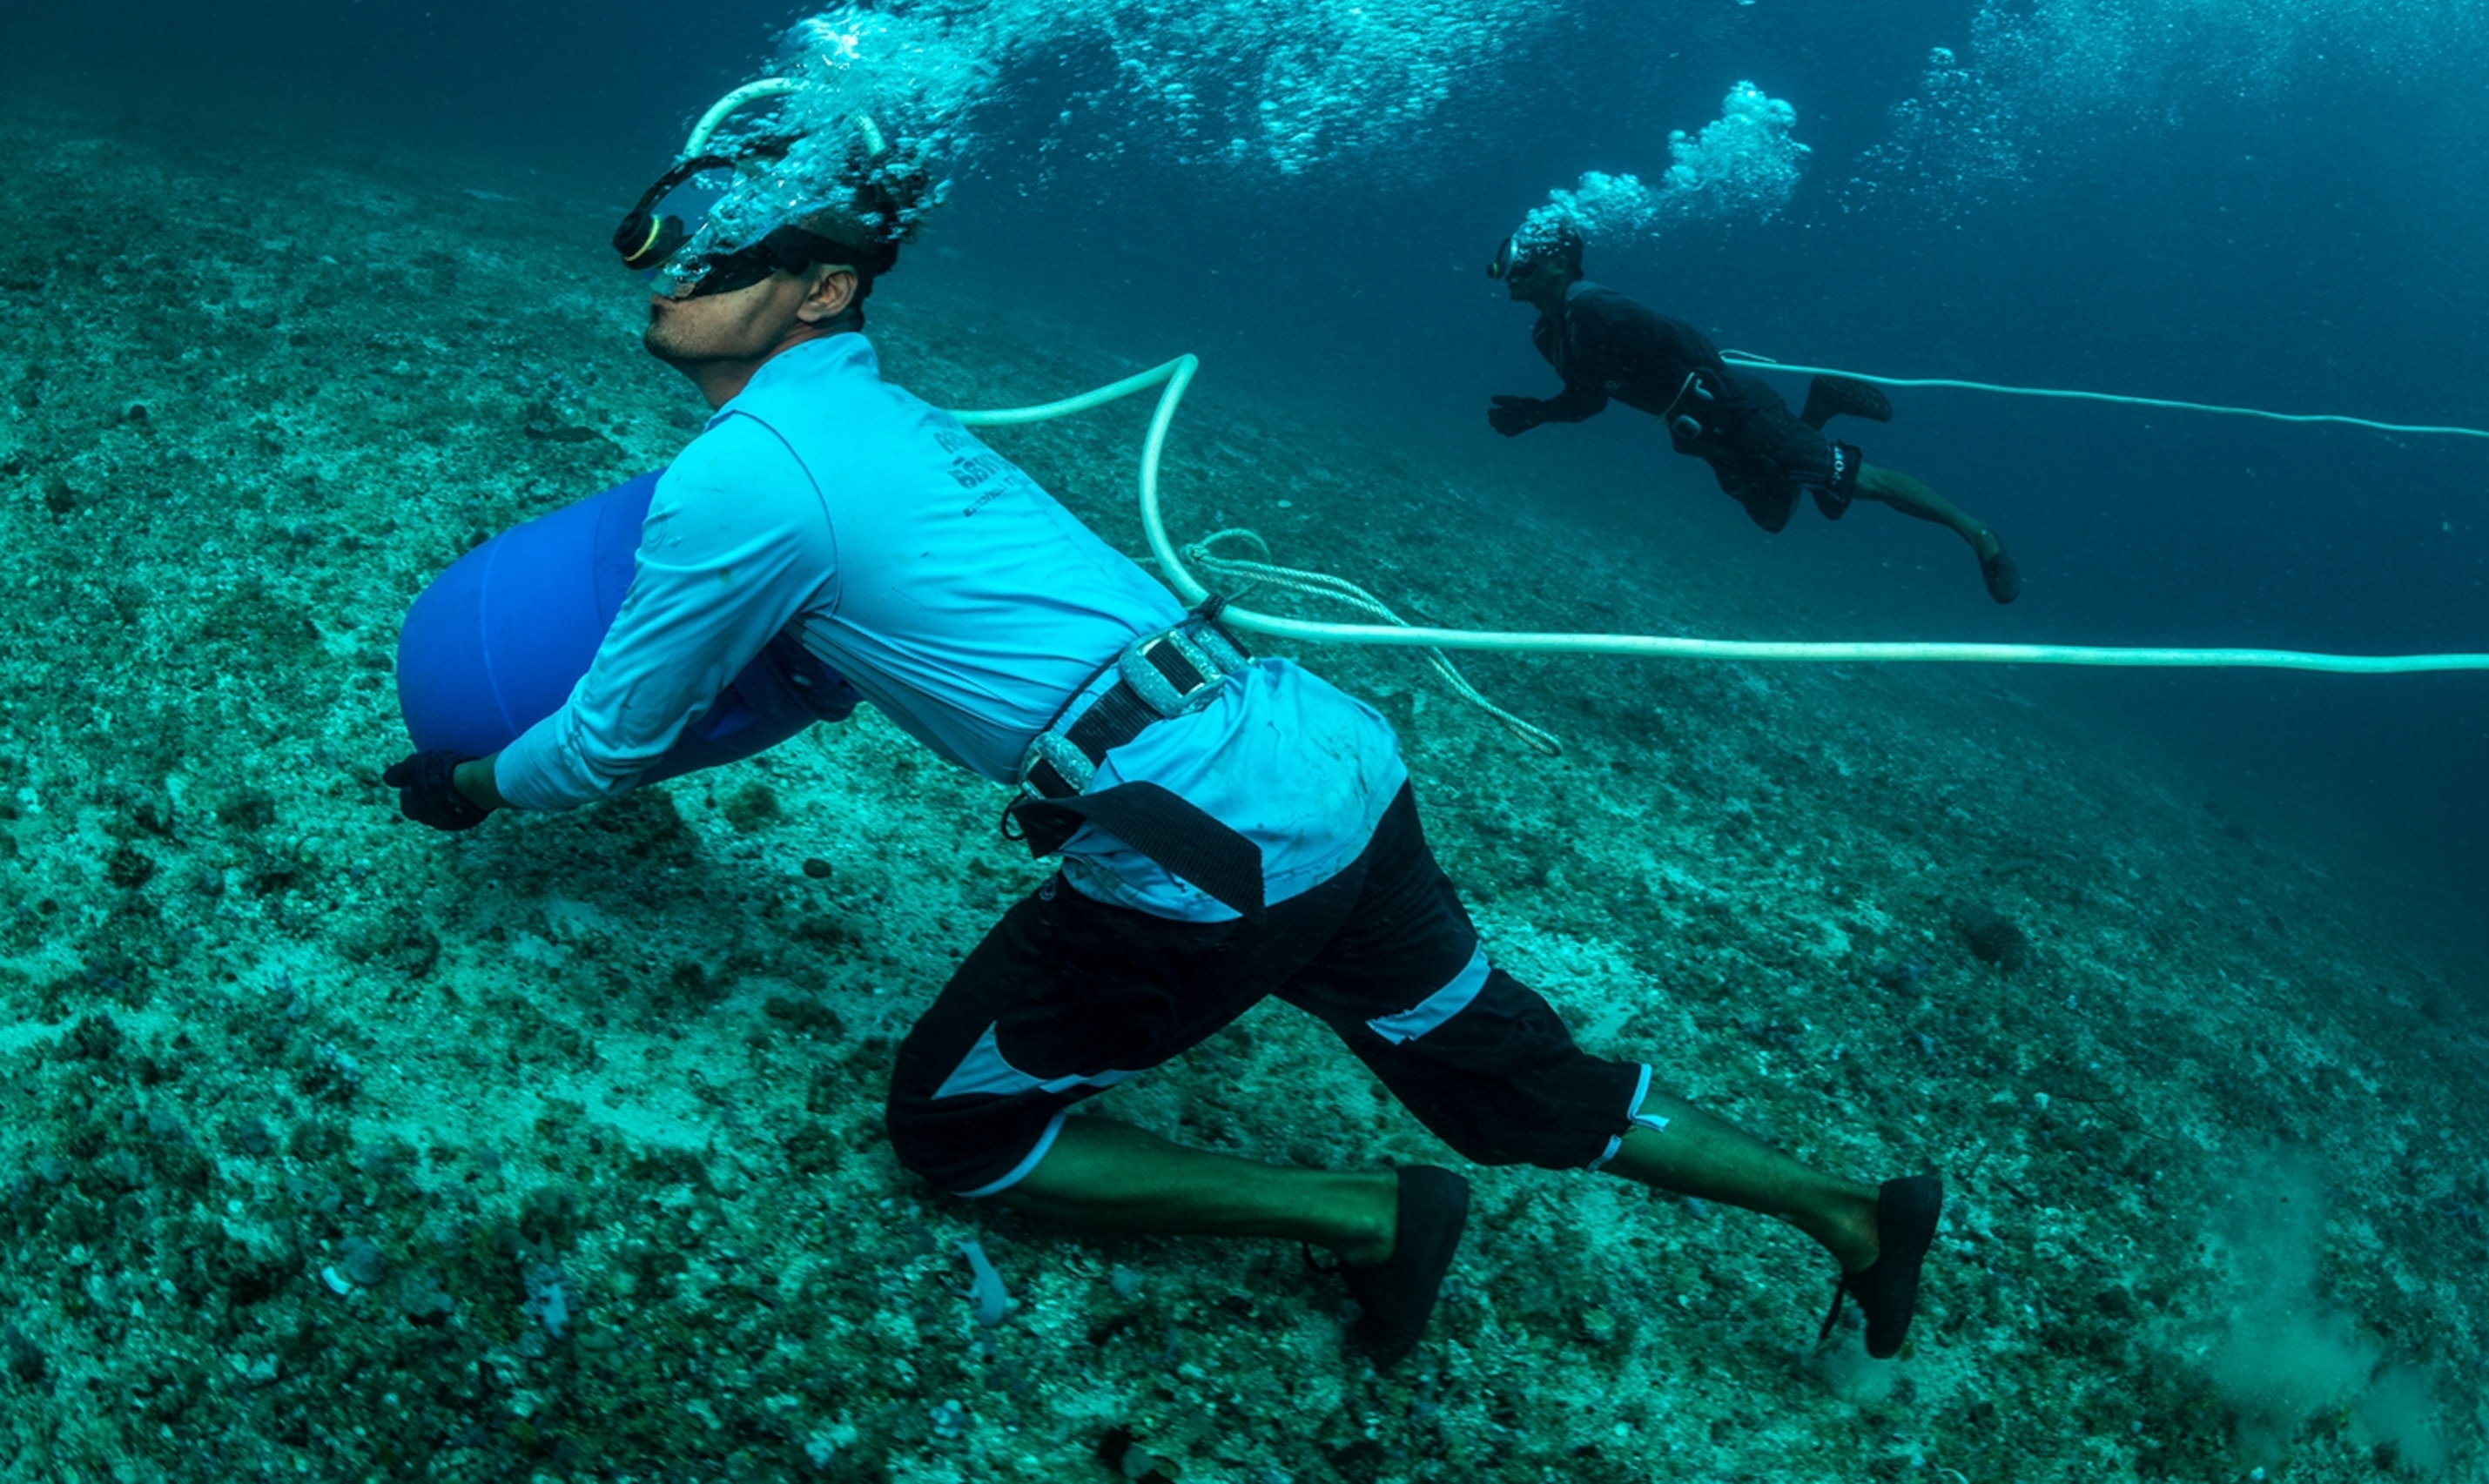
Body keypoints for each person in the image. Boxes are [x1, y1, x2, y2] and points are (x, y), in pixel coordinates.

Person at [381, 147, 1946, 1366]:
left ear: (822, 290)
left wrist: (466, 783)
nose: (670, 271)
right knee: (1513, 1088)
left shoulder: (746, 476)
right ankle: (1851, 1214)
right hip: (1325, 761)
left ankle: (1366, 1215)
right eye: (669, 243)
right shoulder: (880, 413)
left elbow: (613, 737)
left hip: (1203, 843)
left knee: (958, 1130)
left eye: (718, 254)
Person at [1486, 218, 2021, 604]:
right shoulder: (1549, 335)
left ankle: (1978, 535)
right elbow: (1589, 398)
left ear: (1558, 264)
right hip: (1698, 431)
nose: (1509, 270)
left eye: (1522, 260)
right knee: (1772, 517)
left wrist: (1734, 410)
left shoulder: (1595, 307)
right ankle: (1821, 407)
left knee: (1865, 482)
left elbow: (1686, 339)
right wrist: (1538, 412)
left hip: (1738, 411)